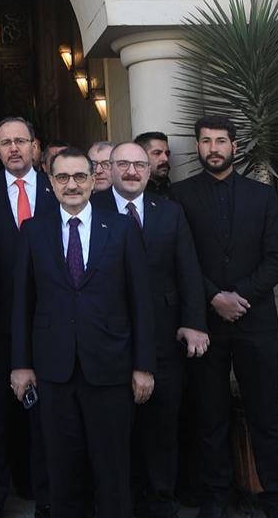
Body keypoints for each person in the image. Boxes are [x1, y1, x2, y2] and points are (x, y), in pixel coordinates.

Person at [10, 147, 154, 518]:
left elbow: (141, 301)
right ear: (51, 183)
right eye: (62, 177)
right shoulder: (33, 231)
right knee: (62, 473)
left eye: (79, 177)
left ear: (93, 180)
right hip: (54, 371)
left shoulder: (121, 229)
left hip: (110, 369)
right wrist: (21, 365)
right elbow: (22, 303)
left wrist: (144, 365)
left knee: (112, 472)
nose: (71, 185)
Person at [170, 115, 278, 518]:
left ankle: (276, 499)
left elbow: (277, 259)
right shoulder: (179, 196)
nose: (213, 148)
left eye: (221, 140)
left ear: (234, 146)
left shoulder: (263, 196)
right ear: (198, 147)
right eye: (205, 141)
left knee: (264, 416)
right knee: (210, 418)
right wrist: (213, 297)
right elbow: (179, 260)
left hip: (255, 323)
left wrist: (238, 296)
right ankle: (216, 499)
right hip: (205, 325)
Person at [91, 142, 209, 518]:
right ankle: (124, 503)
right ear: (108, 169)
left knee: (162, 428)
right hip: (110, 341)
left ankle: (162, 502)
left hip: (164, 337)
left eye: (138, 165)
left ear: (147, 169)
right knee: (117, 432)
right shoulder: (91, 209)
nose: (131, 171)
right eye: (122, 164)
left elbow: (188, 271)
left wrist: (193, 323)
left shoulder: (170, 213)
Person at [0, 117, 57, 518]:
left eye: (20, 141)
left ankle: (43, 494)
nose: (13, 149)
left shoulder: (57, 188)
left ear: (35, 147)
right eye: (5, 142)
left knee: (45, 414)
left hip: (50, 322)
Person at [134, 131, 173, 199]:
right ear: (140, 156)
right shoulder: (129, 193)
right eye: (157, 153)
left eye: (167, 153)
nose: (165, 159)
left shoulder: (176, 192)